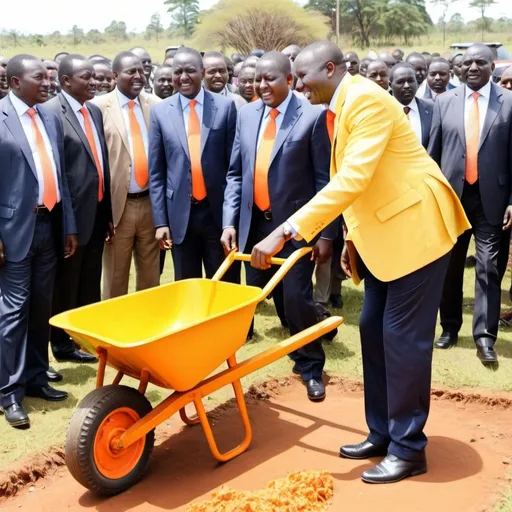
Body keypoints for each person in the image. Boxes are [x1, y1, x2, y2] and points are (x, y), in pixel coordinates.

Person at [250, 41, 470, 483]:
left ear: (330, 69)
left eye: (303, 76)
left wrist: (287, 229)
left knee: (402, 339)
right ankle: (383, 432)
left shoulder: (366, 99)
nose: (298, 85)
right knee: (372, 327)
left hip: (417, 231)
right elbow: (355, 183)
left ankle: (409, 449)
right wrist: (352, 238)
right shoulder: (339, 104)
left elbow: (353, 178)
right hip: (383, 234)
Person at [222, 51, 336, 401]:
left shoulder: (312, 116)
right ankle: (296, 340)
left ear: (289, 80)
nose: (262, 85)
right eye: (257, 79)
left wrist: (326, 233)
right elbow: (235, 174)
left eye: (270, 79)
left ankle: (310, 365)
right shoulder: (246, 114)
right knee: (263, 295)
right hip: (255, 226)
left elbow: (325, 180)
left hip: (297, 228)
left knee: (296, 296)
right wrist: (230, 221)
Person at [0, 54, 78, 428]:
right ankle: (9, 394)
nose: (48, 83)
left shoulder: (48, 115)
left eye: (49, 77)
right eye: (40, 78)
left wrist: (70, 226)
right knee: (12, 314)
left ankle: (36, 377)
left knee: (40, 307)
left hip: (50, 226)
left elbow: (59, 176)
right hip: (14, 231)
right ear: (16, 83)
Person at [428, 43, 512, 365]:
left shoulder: (508, 103)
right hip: (452, 200)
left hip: (493, 200)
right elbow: (432, 157)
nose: (473, 67)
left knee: (489, 267)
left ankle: (485, 337)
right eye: (467, 63)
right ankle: (449, 327)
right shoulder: (444, 102)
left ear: (493, 67)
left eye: (480, 62)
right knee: (449, 267)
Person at [45, 54, 114, 364]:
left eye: (95, 76)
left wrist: (108, 212)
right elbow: (57, 174)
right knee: (67, 283)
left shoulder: (94, 111)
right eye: (86, 77)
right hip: (70, 218)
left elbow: (101, 165)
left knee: (90, 280)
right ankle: (61, 344)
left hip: (97, 212)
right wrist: (68, 225)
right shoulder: (51, 114)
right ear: (65, 82)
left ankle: (87, 338)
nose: (94, 81)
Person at [149, 47, 238, 283]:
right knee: (186, 286)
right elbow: (156, 173)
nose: (183, 77)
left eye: (190, 71)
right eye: (177, 72)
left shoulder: (225, 107)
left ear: (203, 72)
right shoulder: (159, 112)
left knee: (224, 284)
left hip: (216, 214)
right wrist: (160, 222)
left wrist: (230, 218)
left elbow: (233, 170)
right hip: (180, 215)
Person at [93, 51, 161, 298]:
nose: (138, 76)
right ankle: (113, 330)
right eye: (130, 72)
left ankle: (147, 326)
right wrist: (103, 212)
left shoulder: (156, 106)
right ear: (114, 75)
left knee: (151, 275)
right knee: (115, 278)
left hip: (150, 204)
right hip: (117, 210)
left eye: (141, 71)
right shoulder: (98, 108)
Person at [390, 63, 433, 149]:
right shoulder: (383, 111)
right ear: (390, 85)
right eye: (400, 82)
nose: (407, 86)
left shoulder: (432, 108)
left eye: (411, 81)